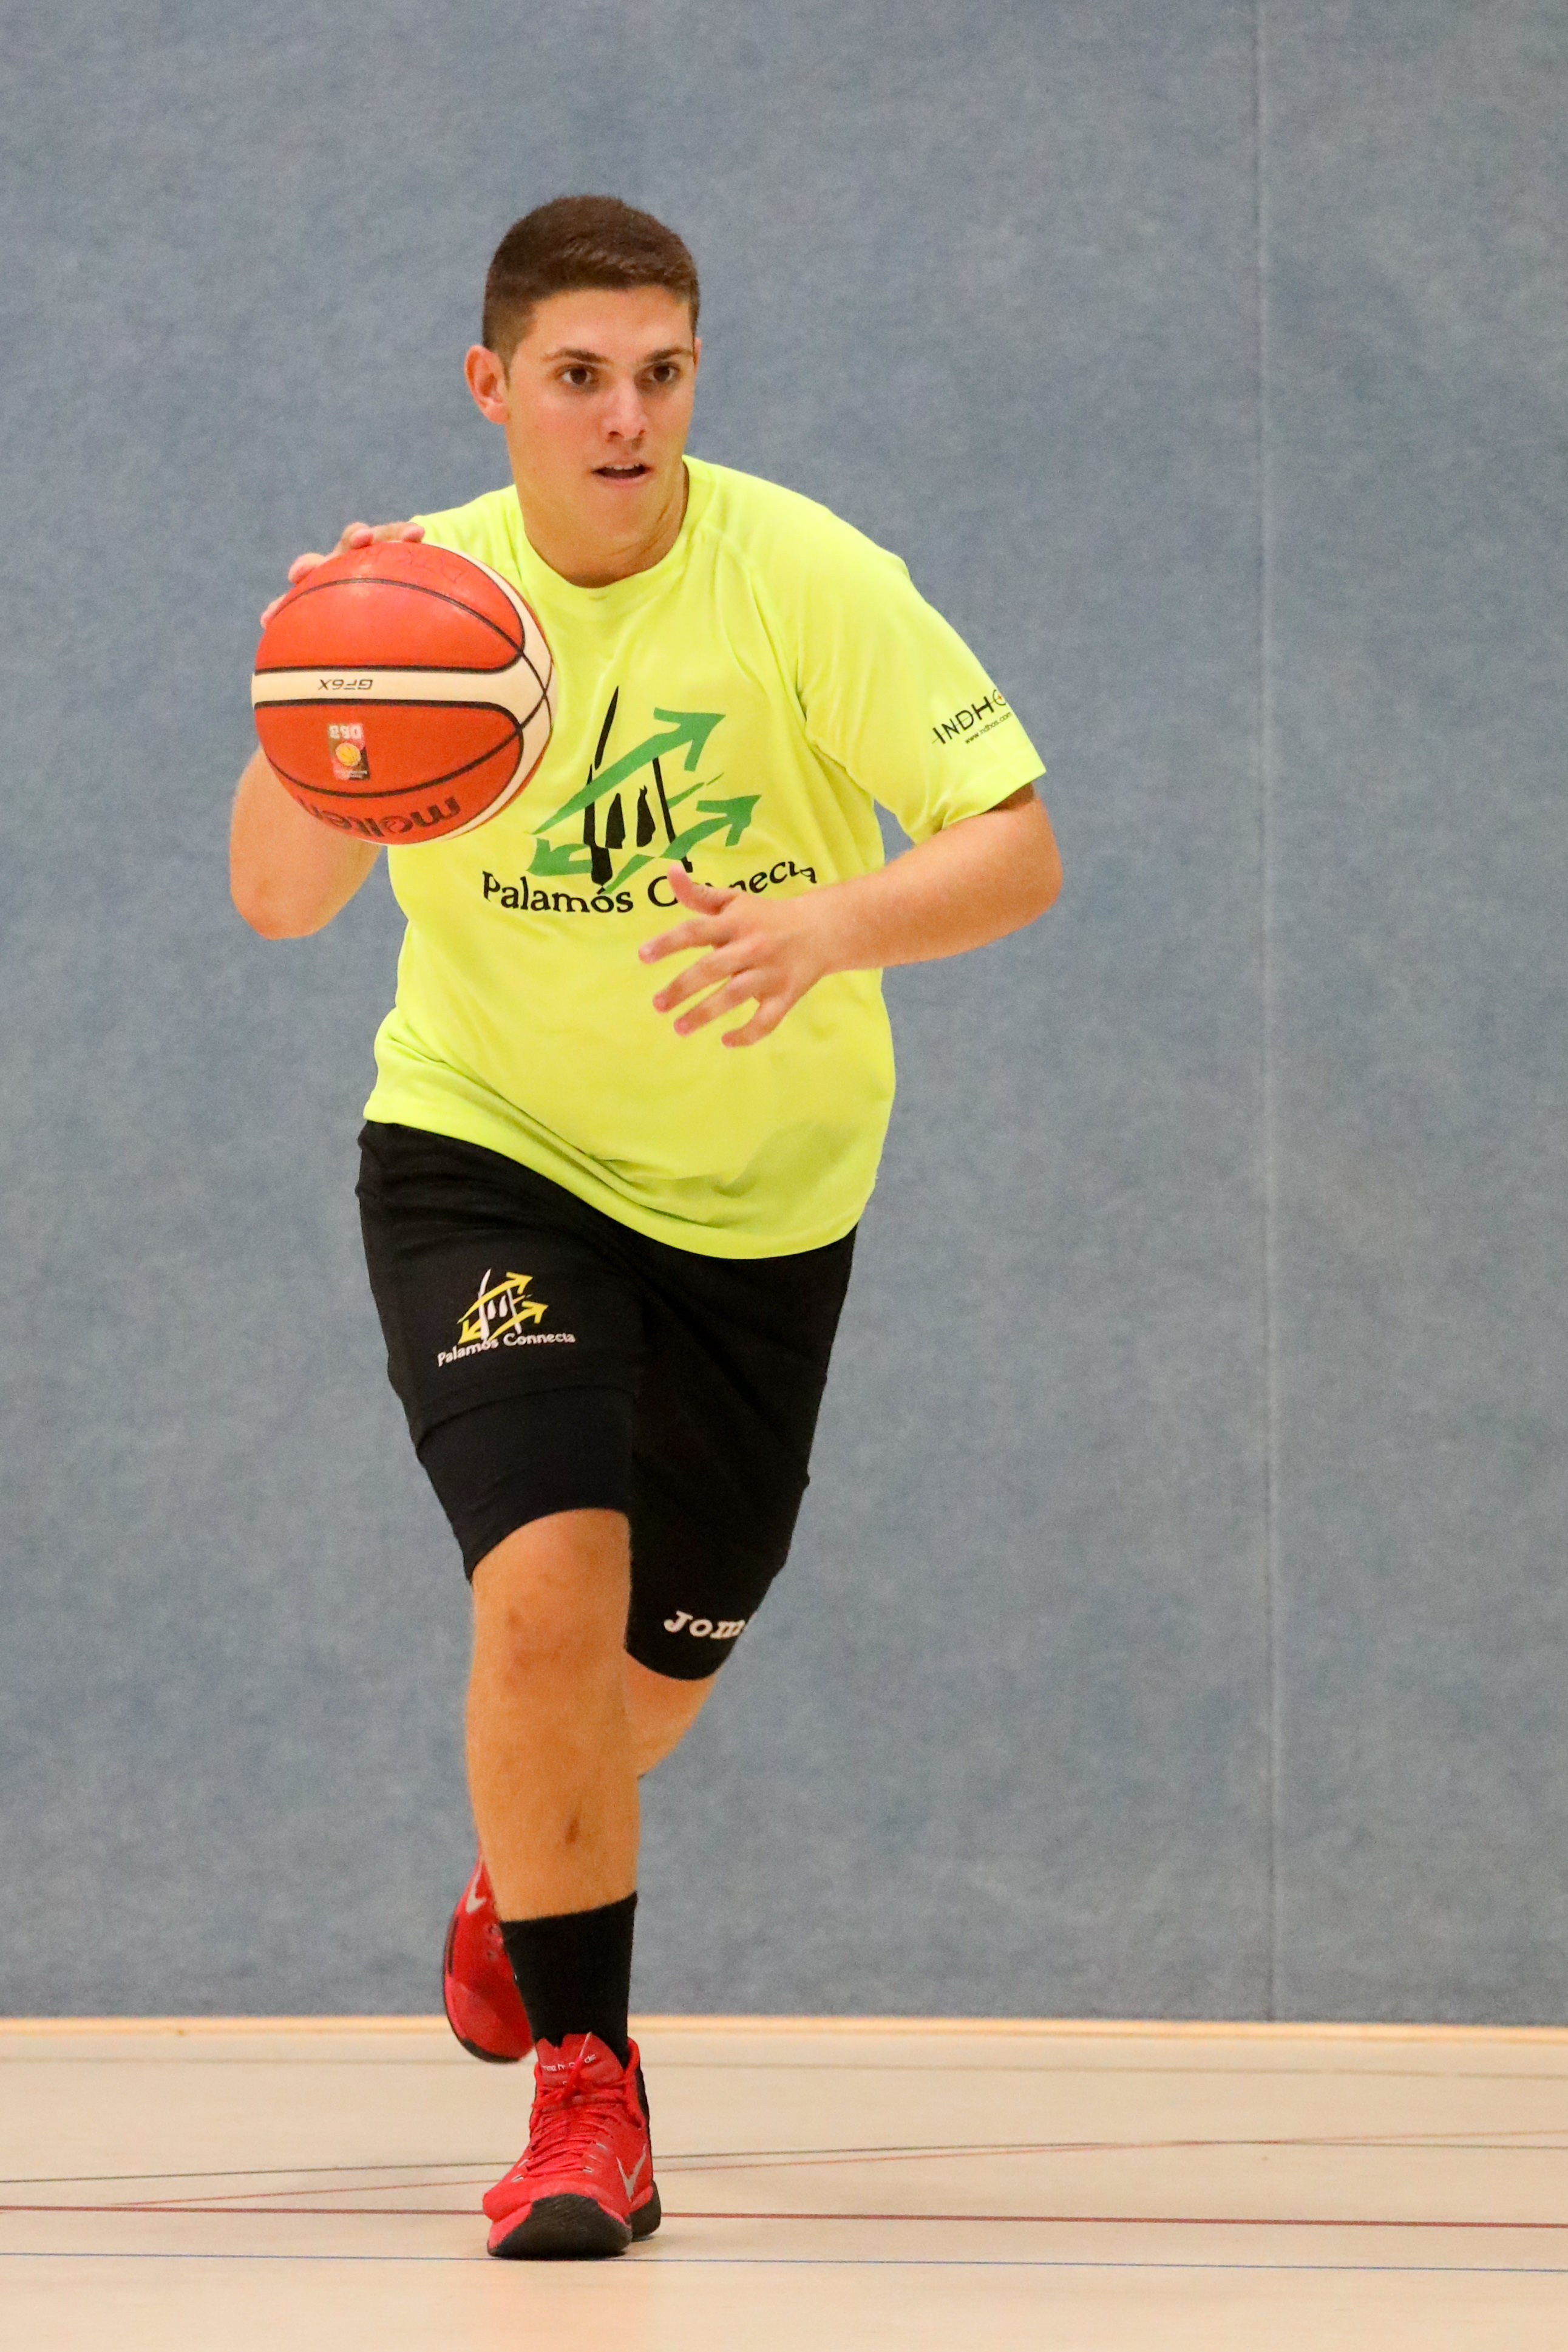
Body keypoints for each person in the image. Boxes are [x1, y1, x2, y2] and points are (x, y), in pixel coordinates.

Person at [231, 194, 1061, 2262]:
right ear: (493, 385)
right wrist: (325, 695)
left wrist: (828, 924)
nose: (626, 417)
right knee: (542, 1591)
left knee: (648, 1675)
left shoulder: (804, 579)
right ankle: (588, 2095)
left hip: (763, 1206)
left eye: (662, 374)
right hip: (489, 1146)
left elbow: (1018, 846)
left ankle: (527, 1880)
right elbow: (276, 902)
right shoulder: (419, 600)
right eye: (581, 376)